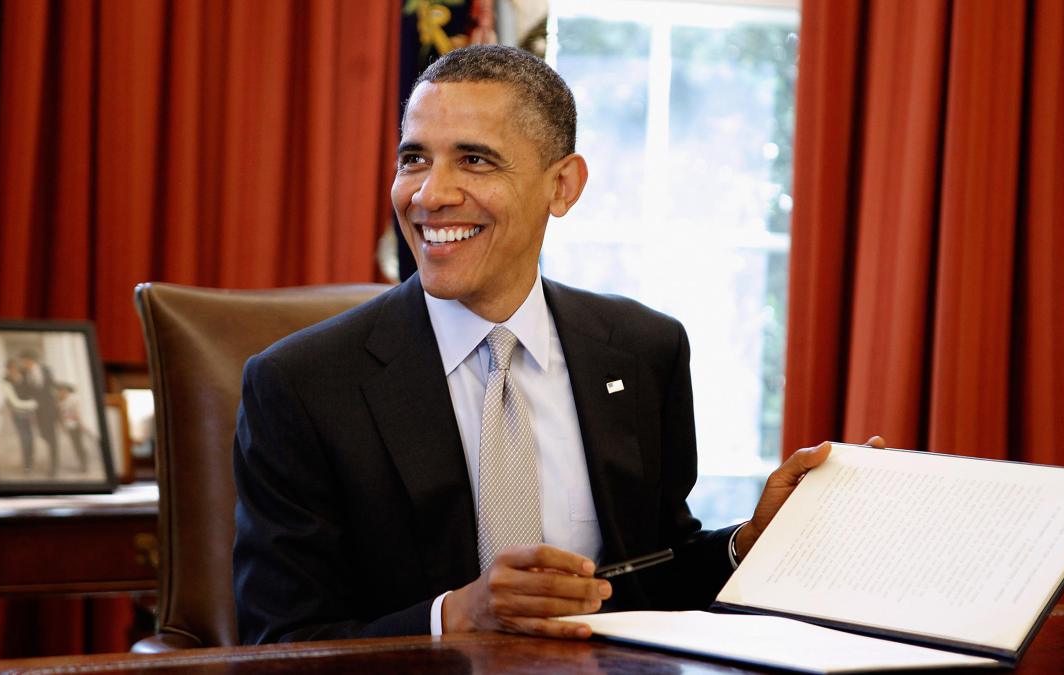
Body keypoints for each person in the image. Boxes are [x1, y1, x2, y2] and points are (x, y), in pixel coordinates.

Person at [233, 44, 882, 645]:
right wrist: (453, 615)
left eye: (475, 159)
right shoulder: (302, 384)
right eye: (414, 158)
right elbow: (280, 642)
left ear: (563, 185)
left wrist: (750, 541)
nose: (429, 194)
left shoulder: (642, 348)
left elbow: (652, 572)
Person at [17, 349, 60, 476]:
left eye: (23, 361)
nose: (22, 363)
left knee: (52, 438)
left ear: (30, 360)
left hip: (49, 410)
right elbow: (24, 392)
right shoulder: (23, 374)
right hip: (36, 411)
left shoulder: (46, 370)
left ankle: (54, 466)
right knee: (44, 435)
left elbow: (53, 387)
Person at [2, 358, 37, 473]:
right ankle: (27, 465)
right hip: (18, 413)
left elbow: (33, 391)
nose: (14, 370)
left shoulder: (25, 375)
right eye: (11, 368)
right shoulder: (6, 381)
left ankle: (30, 460)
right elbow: (14, 401)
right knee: (24, 438)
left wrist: (33, 406)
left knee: (31, 437)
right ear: (8, 369)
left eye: (16, 367)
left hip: (30, 412)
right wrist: (33, 404)